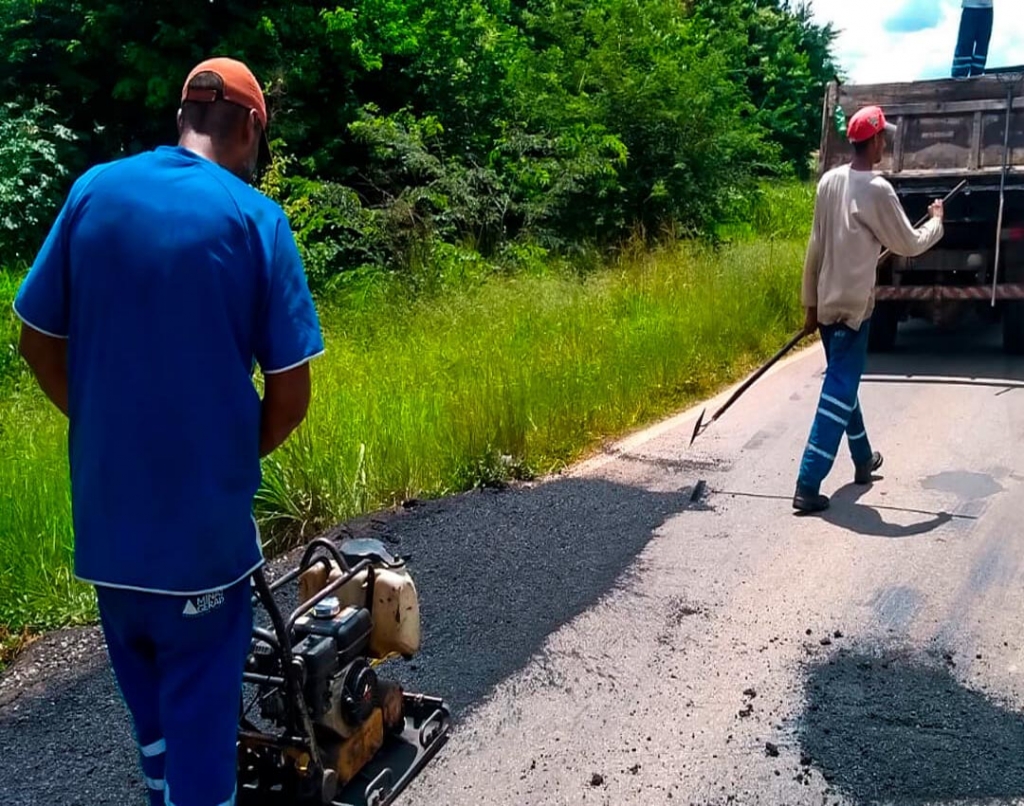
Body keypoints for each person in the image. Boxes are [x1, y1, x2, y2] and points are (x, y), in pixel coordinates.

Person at [14, 57, 324, 805]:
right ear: (251, 128)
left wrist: (106, 427)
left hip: (108, 538)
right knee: (204, 748)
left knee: (153, 728)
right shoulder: (255, 218)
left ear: (183, 114)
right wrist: (226, 455)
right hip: (200, 552)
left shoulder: (93, 191)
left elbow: (36, 339)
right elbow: (290, 394)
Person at [793, 105, 944, 514]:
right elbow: (909, 244)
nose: (885, 145)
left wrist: (810, 306)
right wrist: (936, 221)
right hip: (853, 311)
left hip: (827, 304)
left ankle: (863, 459)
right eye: (883, 139)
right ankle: (807, 482)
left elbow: (814, 247)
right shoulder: (878, 189)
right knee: (839, 390)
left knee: (844, 382)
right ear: (874, 140)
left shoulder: (829, 182)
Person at [952, 0, 994, 78]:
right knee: (965, 43)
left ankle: (977, 75)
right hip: (970, 8)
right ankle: (959, 76)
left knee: (982, 45)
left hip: (987, 9)